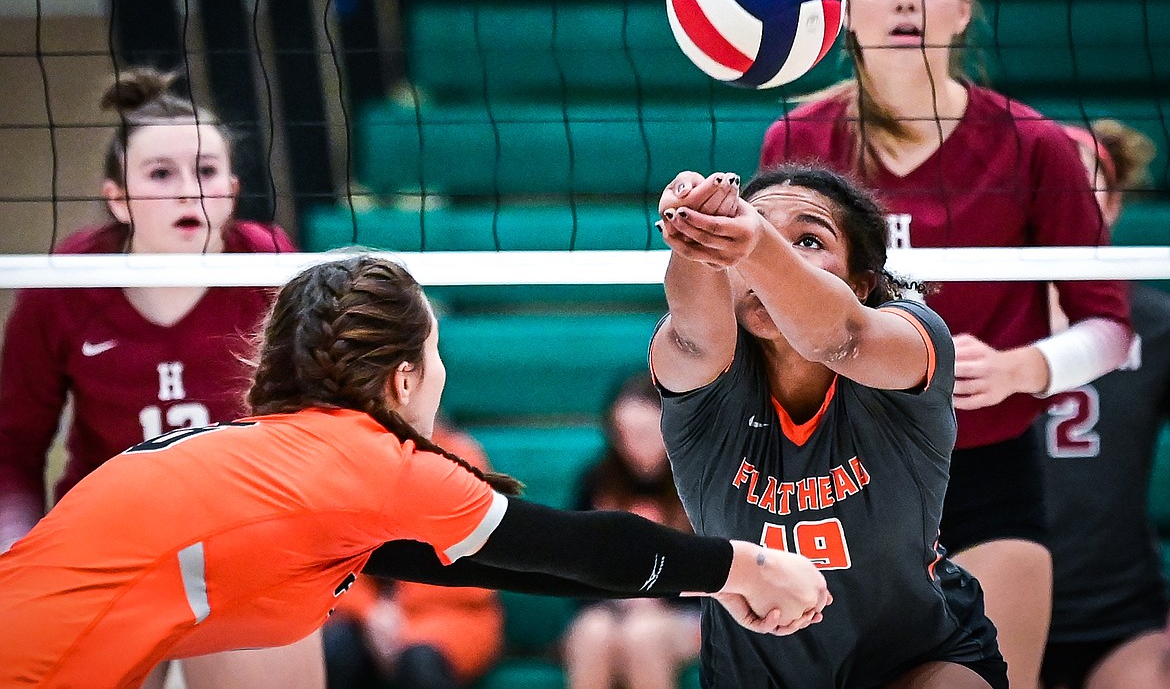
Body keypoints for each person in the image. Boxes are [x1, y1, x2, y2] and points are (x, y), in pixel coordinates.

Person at [0, 255, 833, 687]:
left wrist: (716, 585)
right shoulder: (368, 460)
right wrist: (750, 564)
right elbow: (574, 547)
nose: (440, 379)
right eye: (436, 358)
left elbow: (492, 561)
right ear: (404, 378)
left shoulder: (285, 461)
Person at [758, 0, 1132, 685]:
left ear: (964, 6)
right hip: (841, 474)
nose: (908, 3)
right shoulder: (797, 141)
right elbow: (768, 316)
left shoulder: (1036, 146)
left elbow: (1110, 326)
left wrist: (1026, 367)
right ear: (843, 7)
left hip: (986, 471)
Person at [0, 68, 324, 689]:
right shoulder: (59, 288)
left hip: (240, 546)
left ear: (232, 189)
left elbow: (315, 423)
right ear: (118, 198)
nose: (188, 194)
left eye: (205, 172)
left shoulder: (274, 270)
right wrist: (17, 555)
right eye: (160, 174)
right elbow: (15, 446)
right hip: (105, 551)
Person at [651, 162, 1006, 688]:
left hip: (918, 656)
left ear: (862, 283)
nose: (774, 250)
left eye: (809, 240)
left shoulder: (913, 337)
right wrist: (695, 234)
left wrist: (757, 242)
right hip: (754, 676)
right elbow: (695, 333)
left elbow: (840, 336)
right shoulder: (695, 363)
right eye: (758, 230)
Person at [1038, 120, 1170, 689]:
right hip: (990, 601)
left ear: (1112, 206)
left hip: (1122, 615)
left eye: (1082, 186)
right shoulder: (960, 319)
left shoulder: (1156, 322)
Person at [323, 420, 504, 689]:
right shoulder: (349, 460)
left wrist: (399, 623)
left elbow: (467, 579)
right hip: (365, 615)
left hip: (450, 615)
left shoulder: (460, 457)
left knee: (419, 663)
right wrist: (370, 611)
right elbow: (327, 555)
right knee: (335, 648)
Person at [562, 371, 701, 689]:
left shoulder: (696, 482)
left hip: (687, 613)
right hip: (611, 609)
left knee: (644, 635)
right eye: (624, 435)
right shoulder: (598, 481)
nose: (632, 447)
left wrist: (658, 599)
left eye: (644, 434)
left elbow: (721, 566)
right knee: (591, 634)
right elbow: (572, 565)